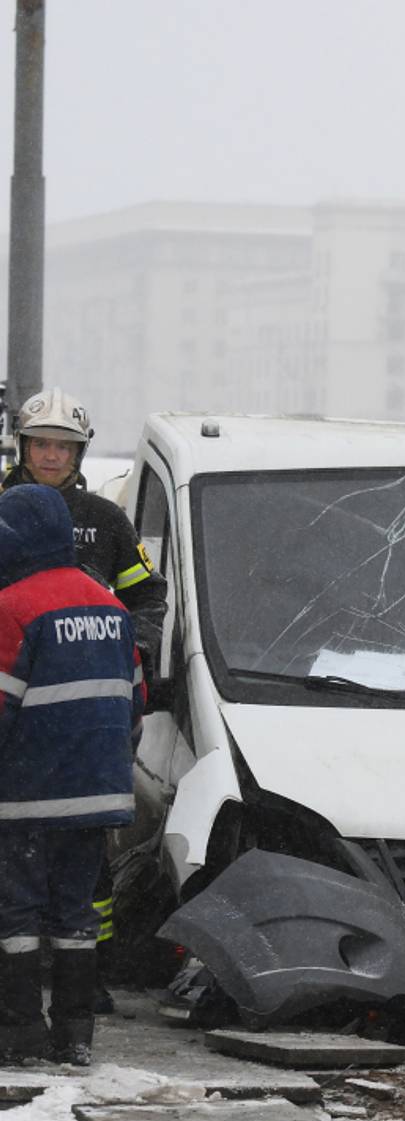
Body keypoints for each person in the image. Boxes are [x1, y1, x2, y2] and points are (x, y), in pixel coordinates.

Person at [3, 388, 166, 1014]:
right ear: (24, 446)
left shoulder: (107, 520)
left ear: (80, 453)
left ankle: (83, 974)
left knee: (86, 852)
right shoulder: (4, 512)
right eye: (41, 444)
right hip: (18, 695)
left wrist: (138, 652)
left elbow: (146, 597)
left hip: (86, 709)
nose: (50, 456)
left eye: (63, 447)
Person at [0, 484, 145, 1066]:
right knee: (74, 914)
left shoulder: (13, 606)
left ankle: (19, 1035)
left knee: (15, 917)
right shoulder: (111, 607)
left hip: (27, 797)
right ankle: (75, 1036)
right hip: (96, 796)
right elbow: (134, 704)